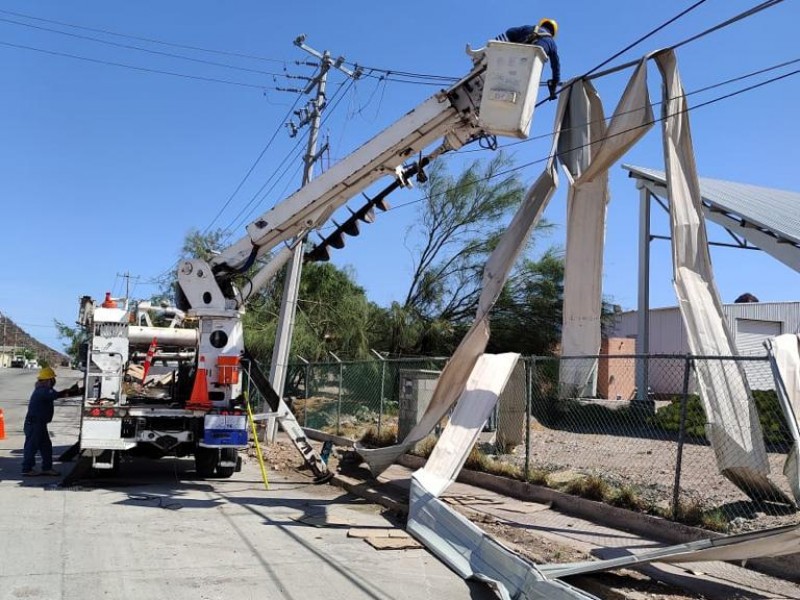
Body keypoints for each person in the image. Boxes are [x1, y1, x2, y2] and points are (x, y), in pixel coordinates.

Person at [22, 366, 81, 477]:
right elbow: (57, 395)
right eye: (52, 378)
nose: (54, 381)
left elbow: (57, 394)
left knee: (46, 447)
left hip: (40, 424)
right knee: (31, 447)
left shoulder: (43, 389)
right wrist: (72, 391)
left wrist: (70, 391)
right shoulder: (43, 390)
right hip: (35, 424)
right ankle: (27, 469)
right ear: (48, 380)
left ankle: (47, 468)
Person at [497, 18, 561, 101]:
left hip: (509, 65)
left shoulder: (528, 28)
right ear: (553, 33)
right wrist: (554, 84)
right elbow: (556, 66)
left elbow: (509, 32)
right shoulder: (551, 43)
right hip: (529, 74)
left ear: (541, 24)